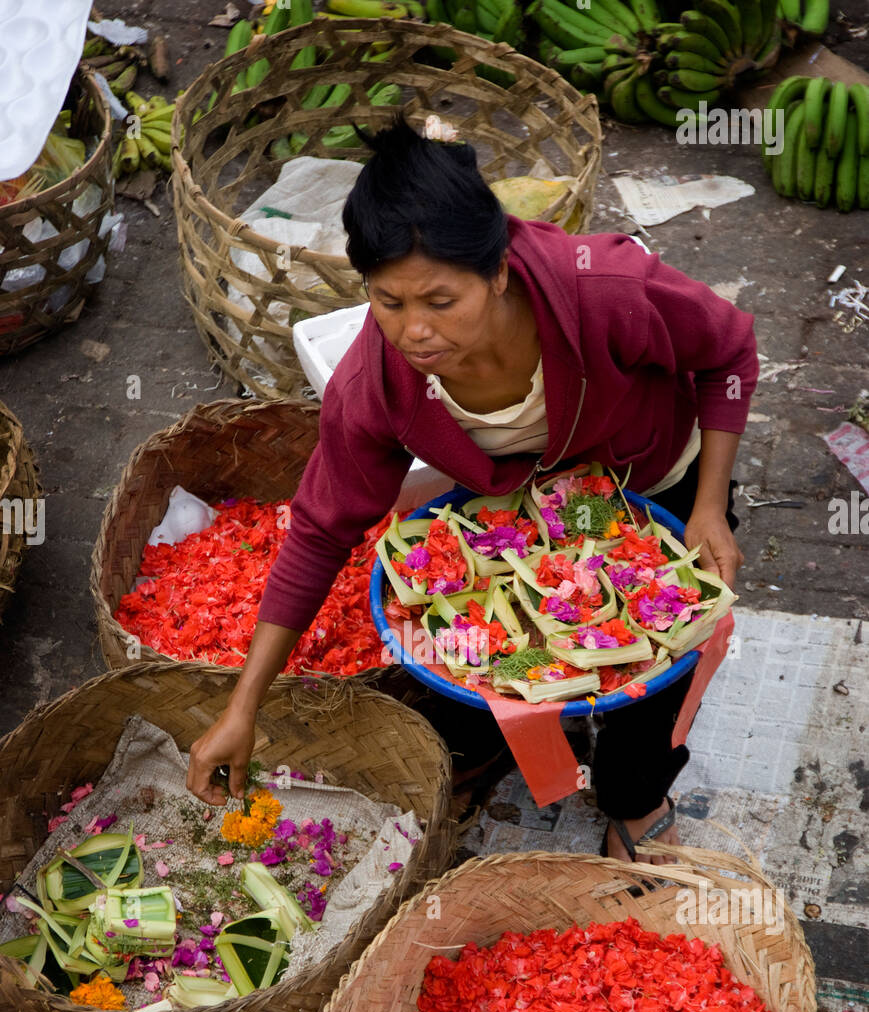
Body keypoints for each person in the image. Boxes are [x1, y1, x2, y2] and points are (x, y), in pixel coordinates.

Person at [186, 114, 756, 865]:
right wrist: (242, 706)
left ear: (498, 271)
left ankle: (634, 794)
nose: (414, 331)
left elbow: (729, 352)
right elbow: (321, 530)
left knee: (650, 680)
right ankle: (491, 747)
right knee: (486, 656)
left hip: (651, 485)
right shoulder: (376, 385)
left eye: (438, 301)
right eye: (389, 302)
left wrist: (709, 503)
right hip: (520, 513)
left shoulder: (604, 289)